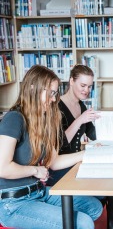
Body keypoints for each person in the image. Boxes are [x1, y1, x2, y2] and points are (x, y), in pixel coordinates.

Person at [0, 65, 103, 229]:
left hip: (38, 192)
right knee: (84, 223)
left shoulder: (44, 120)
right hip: (14, 203)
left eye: (55, 93)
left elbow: (53, 162)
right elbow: (3, 168)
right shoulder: (14, 119)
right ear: (34, 89)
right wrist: (35, 170)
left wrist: (87, 154)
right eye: (51, 93)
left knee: (94, 207)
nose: (54, 99)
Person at [48, 64, 113, 229]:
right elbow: (57, 144)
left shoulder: (81, 106)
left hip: (77, 162)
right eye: (83, 85)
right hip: (60, 166)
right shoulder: (56, 106)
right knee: (103, 188)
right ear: (71, 81)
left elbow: (95, 135)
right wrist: (79, 120)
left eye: (90, 86)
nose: (86, 90)